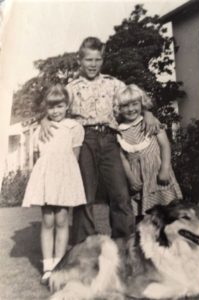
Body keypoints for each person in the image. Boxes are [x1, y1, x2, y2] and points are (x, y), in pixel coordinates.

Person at [40, 37, 161, 245]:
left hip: (110, 139)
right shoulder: (71, 87)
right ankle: (85, 246)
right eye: (88, 60)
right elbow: (54, 107)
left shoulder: (114, 84)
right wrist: (44, 120)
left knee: (120, 193)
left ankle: (124, 244)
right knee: (84, 194)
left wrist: (148, 114)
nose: (93, 65)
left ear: (102, 60)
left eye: (97, 60)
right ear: (80, 60)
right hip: (83, 139)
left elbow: (134, 100)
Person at [22, 84, 86, 284]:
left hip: (65, 177)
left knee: (62, 220)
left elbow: (74, 157)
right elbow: (36, 156)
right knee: (48, 221)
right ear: (46, 108)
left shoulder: (74, 127)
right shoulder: (41, 128)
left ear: (67, 106)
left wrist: (68, 182)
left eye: (60, 106)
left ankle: (60, 266)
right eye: (51, 107)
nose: (55, 111)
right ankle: (48, 267)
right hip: (47, 178)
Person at [115, 84, 183, 219]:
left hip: (157, 173)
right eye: (125, 106)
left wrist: (165, 169)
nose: (131, 109)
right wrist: (131, 178)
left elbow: (165, 146)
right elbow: (122, 157)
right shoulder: (118, 131)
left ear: (141, 103)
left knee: (169, 214)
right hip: (138, 178)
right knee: (144, 219)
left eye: (135, 104)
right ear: (119, 108)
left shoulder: (151, 123)